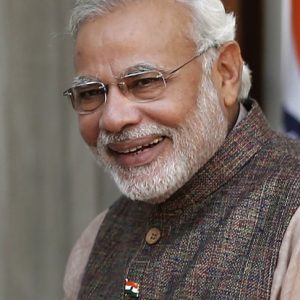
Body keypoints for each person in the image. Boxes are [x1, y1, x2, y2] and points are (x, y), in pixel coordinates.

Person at [62, 0, 300, 299]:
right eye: (91, 93)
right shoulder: (97, 240)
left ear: (225, 73)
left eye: (144, 82)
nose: (112, 119)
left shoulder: (292, 216)